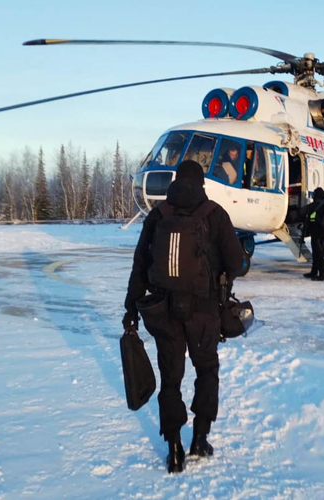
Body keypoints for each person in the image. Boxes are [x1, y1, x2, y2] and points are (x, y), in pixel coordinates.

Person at [123, 160, 245, 473]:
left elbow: (140, 263)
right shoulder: (214, 213)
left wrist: (131, 309)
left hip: (164, 310)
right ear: (201, 183)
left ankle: (174, 448)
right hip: (204, 311)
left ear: (176, 182)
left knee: (170, 379)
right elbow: (236, 262)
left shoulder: (158, 214)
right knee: (206, 370)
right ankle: (200, 438)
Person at [300, 187, 324, 281]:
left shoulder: (314, 205)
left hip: (316, 232)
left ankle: (322, 274)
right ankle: (314, 272)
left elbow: (302, 211)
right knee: (316, 253)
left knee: (318, 254)